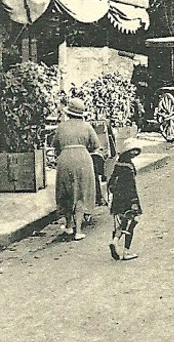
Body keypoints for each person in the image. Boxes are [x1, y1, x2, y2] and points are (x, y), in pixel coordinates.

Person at [53, 98, 101, 240]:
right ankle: (78, 230)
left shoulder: (61, 126)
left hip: (65, 159)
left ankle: (68, 226)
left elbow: (55, 145)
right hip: (82, 159)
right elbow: (96, 145)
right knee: (80, 192)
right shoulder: (87, 126)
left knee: (67, 191)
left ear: (68, 113)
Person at [108, 138, 143, 261]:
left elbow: (111, 182)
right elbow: (131, 187)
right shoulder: (129, 167)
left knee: (122, 221)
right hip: (129, 198)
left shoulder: (118, 164)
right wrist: (134, 202)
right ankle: (126, 251)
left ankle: (115, 240)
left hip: (118, 198)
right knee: (133, 222)